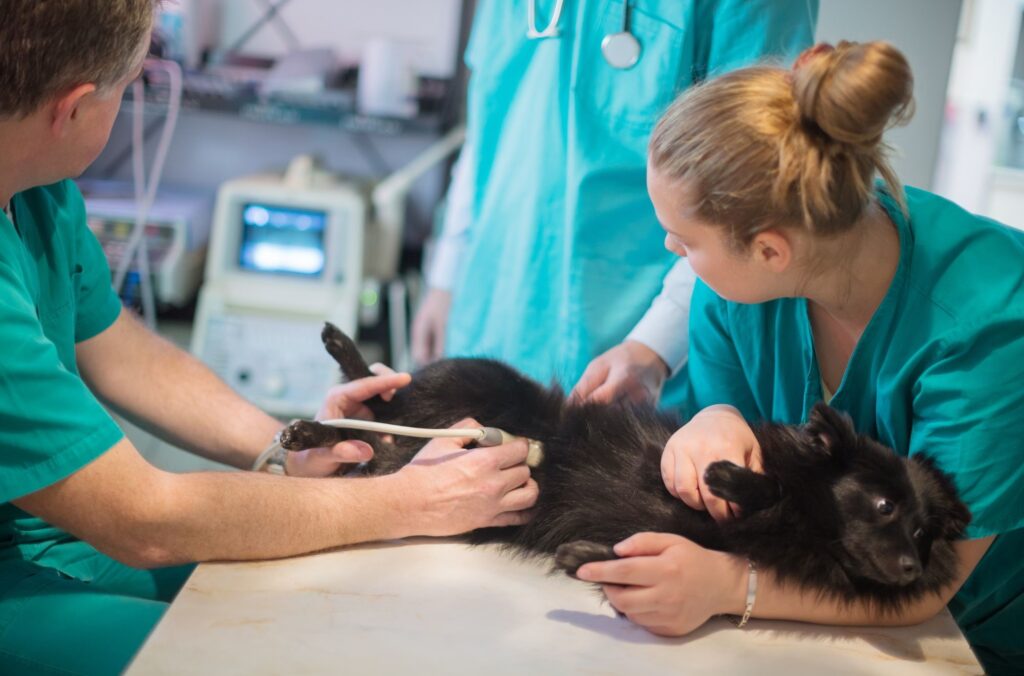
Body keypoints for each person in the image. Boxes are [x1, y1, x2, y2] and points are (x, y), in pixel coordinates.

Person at [0, 3, 537, 673]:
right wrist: (405, 501)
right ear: (73, 108)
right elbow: (145, 520)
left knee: (325, 601)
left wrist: (287, 449)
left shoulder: (36, 190)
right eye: (130, 83)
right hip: (32, 569)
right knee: (250, 655)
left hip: (54, 532)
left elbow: (121, 353)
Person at [571, 41, 1024, 674]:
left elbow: (926, 581)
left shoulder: (988, 332)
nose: (670, 247)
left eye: (685, 238)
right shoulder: (740, 292)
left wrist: (732, 587)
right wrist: (716, 418)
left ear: (769, 251)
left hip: (978, 634)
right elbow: (752, 449)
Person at [413, 0, 818, 408]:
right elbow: (490, 125)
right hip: (492, 309)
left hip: (647, 360)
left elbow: (752, 185)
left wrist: (654, 347)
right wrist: (447, 277)